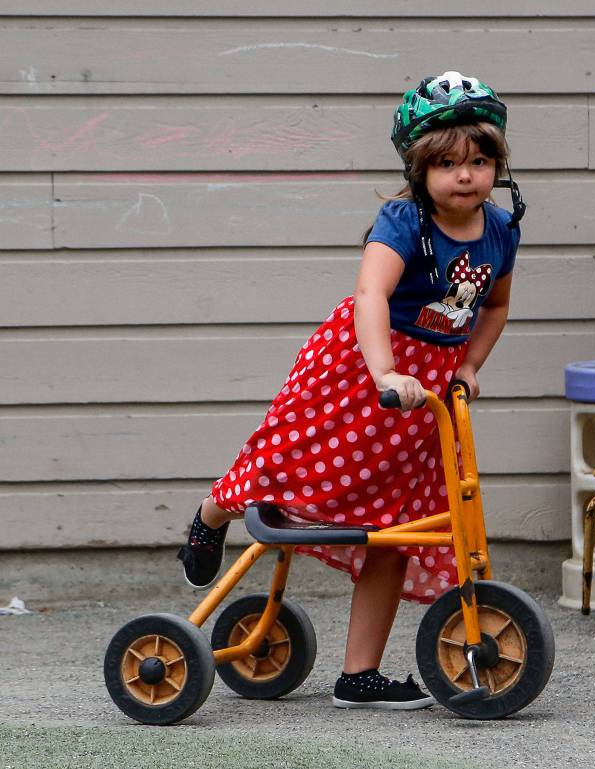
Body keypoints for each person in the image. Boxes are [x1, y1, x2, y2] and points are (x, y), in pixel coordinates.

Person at [175, 71, 524, 710]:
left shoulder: (500, 230)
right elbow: (372, 294)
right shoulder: (403, 221)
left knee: (397, 523)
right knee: (289, 460)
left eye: (479, 160)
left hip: (428, 394)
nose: (465, 175)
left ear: (497, 164)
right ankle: (212, 514)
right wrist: (386, 370)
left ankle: (358, 674)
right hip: (362, 370)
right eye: (448, 163)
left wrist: (470, 365)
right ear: (420, 169)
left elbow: (495, 305)